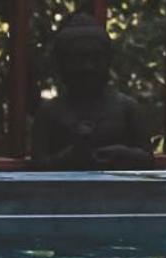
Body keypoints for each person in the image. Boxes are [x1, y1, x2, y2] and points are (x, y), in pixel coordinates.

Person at [31, 11, 155, 169]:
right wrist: (69, 157)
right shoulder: (49, 113)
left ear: (108, 61)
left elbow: (148, 161)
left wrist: (123, 155)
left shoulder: (127, 109)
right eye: (78, 59)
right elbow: (37, 166)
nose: (88, 67)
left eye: (95, 59)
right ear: (62, 64)